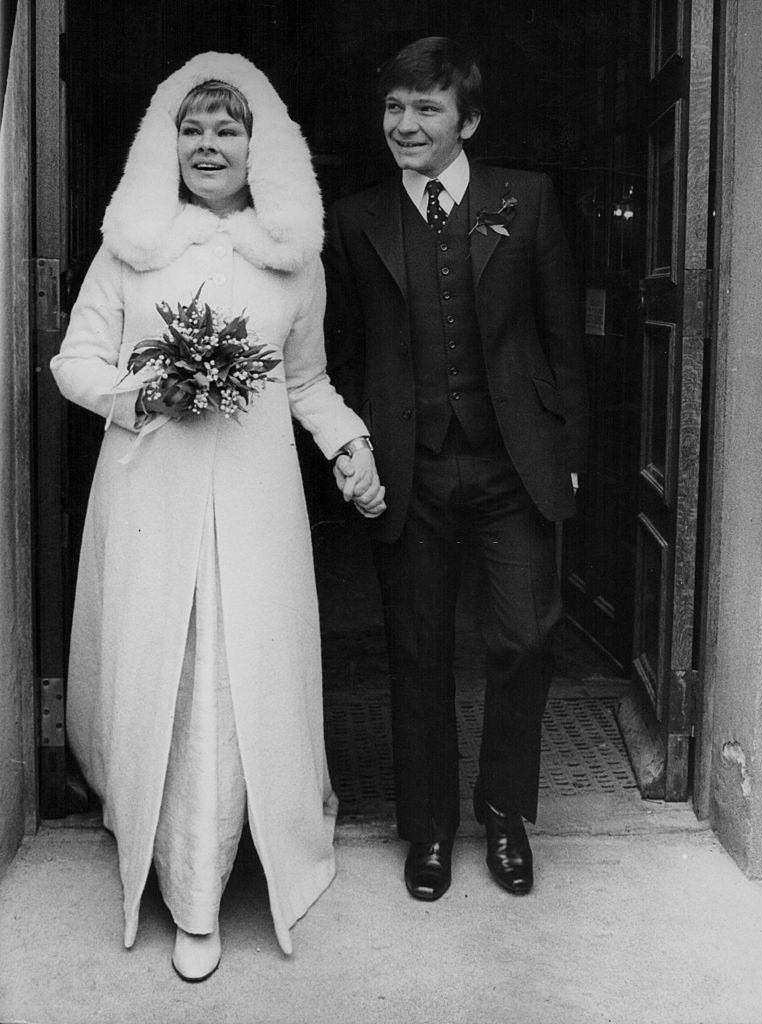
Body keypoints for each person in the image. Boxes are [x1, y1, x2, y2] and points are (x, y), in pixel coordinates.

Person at [51, 52, 385, 982]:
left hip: (254, 501)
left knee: (243, 672)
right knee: (171, 662)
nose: (208, 145)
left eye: (227, 129)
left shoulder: (294, 260)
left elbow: (307, 380)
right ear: (169, 144)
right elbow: (73, 363)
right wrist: (144, 393)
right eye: (191, 129)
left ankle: (234, 864)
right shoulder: (132, 248)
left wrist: (350, 447)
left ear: (260, 148)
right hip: (151, 494)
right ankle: (181, 884)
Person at [325, 36, 588, 902]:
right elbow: (346, 350)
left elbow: (561, 339)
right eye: (395, 107)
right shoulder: (355, 217)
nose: (405, 123)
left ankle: (505, 813)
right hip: (413, 468)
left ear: (466, 120)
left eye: (426, 108)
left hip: (514, 464)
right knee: (417, 651)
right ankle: (430, 828)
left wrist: (571, 456)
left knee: (524, 638)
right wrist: (355, 444)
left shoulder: (529, 199)